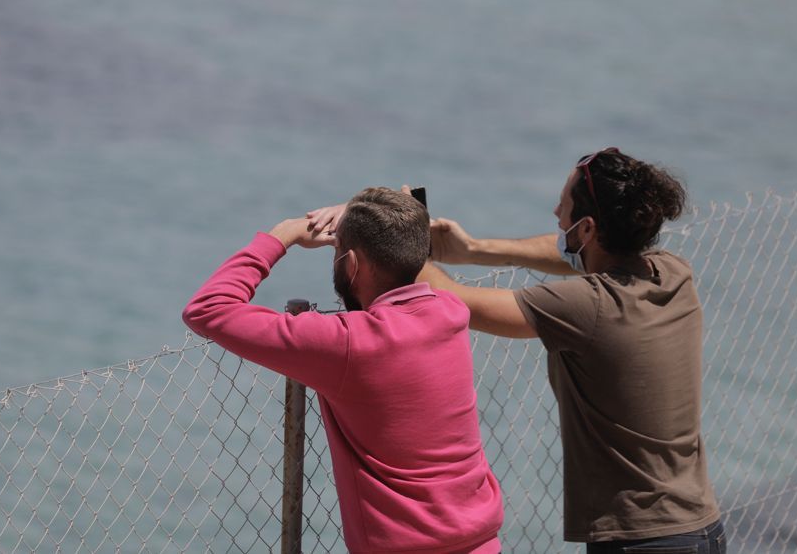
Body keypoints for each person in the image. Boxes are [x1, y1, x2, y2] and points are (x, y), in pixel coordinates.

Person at [308, 149, 724, 553]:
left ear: (587, 230)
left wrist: (395, 237)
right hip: (700, 524)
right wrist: (474, 250)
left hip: (642, 539)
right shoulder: (671, 272)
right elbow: (568, 256)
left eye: (562, 209)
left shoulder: (587, 306)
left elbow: (453, 300)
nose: (554, 217)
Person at [183, 187, 504, 554]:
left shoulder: (346, 343)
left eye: (338, 253)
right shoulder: (449, 311)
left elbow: (207, 308)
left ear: (350, 264)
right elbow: (404, 228)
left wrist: (282, 236)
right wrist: (358, 212)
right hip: (481, 541)